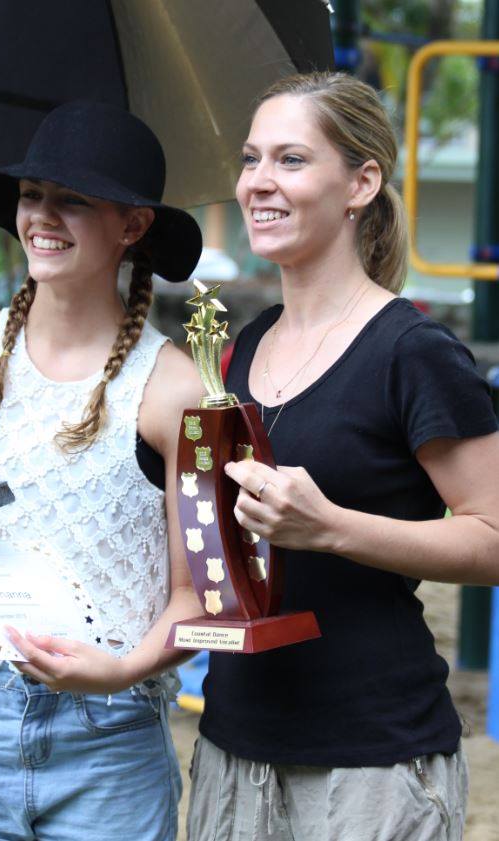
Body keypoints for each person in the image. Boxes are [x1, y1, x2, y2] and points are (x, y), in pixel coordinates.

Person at [187, 72, 499, 841]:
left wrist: (330, 526)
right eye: (251, 158)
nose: (258, 181)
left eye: (290, 159)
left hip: (371, 765)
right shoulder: (246, 342)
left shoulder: (413, 351)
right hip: (232, 746)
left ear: (360, 183)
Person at [0, 100, 204, 841]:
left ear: (133, 226)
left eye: (73, 200)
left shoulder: (177, 390)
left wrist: (122, 672)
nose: (41, 215)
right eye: (32, 194)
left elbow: (199, 595)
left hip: (109, 736)